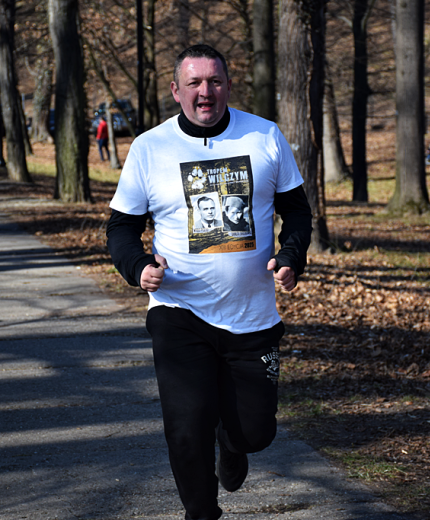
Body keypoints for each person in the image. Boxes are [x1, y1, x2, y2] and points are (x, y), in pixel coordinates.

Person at [106, 44, 312, 520]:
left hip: (252, 315)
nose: (205, 92)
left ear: (228, 85)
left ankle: (232, 442)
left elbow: (296, 209)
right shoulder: (150, 147)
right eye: (194, 83)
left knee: (254, 432)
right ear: (176, 91)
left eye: (214, 81)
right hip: (180, 313)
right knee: (185, 426)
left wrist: (291, 255)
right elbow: (120, 227)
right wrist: (137, 267)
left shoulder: (264, 136)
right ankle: (201, 513)